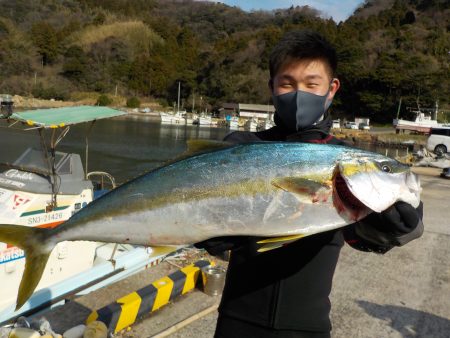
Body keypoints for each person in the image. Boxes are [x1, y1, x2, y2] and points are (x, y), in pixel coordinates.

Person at [196, 30, 424, 338]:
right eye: (287, 83)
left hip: (307, 327)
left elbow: (359, 237)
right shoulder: (243, 148)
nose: (299, 93)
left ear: (331, 89)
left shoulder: (348, 162)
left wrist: (389, 230)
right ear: (272, 88)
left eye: (311, 84)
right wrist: (202, 228)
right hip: (237, 322)